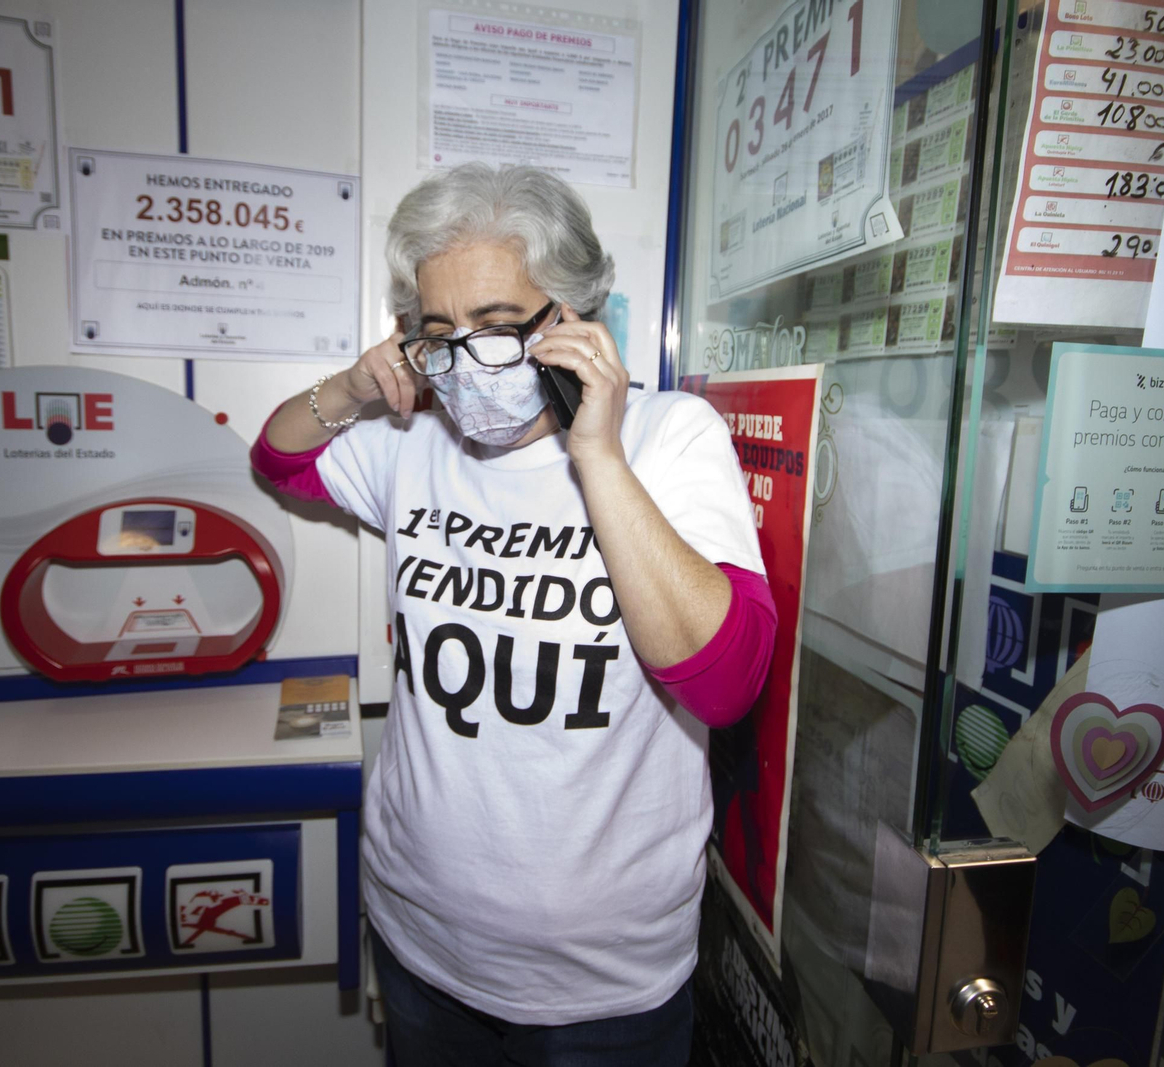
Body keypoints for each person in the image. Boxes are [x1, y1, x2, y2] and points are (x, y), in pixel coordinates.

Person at [250, 163, 776, 1066]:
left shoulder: (671, 437)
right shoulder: (412, 443)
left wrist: (598, 456)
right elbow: (279, 459)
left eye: (496, 327)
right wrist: (353, 385)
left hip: (604, 984)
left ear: (573, 319)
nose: (467, 361)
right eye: (439, 332)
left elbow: (726, 679)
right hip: (422, 942)